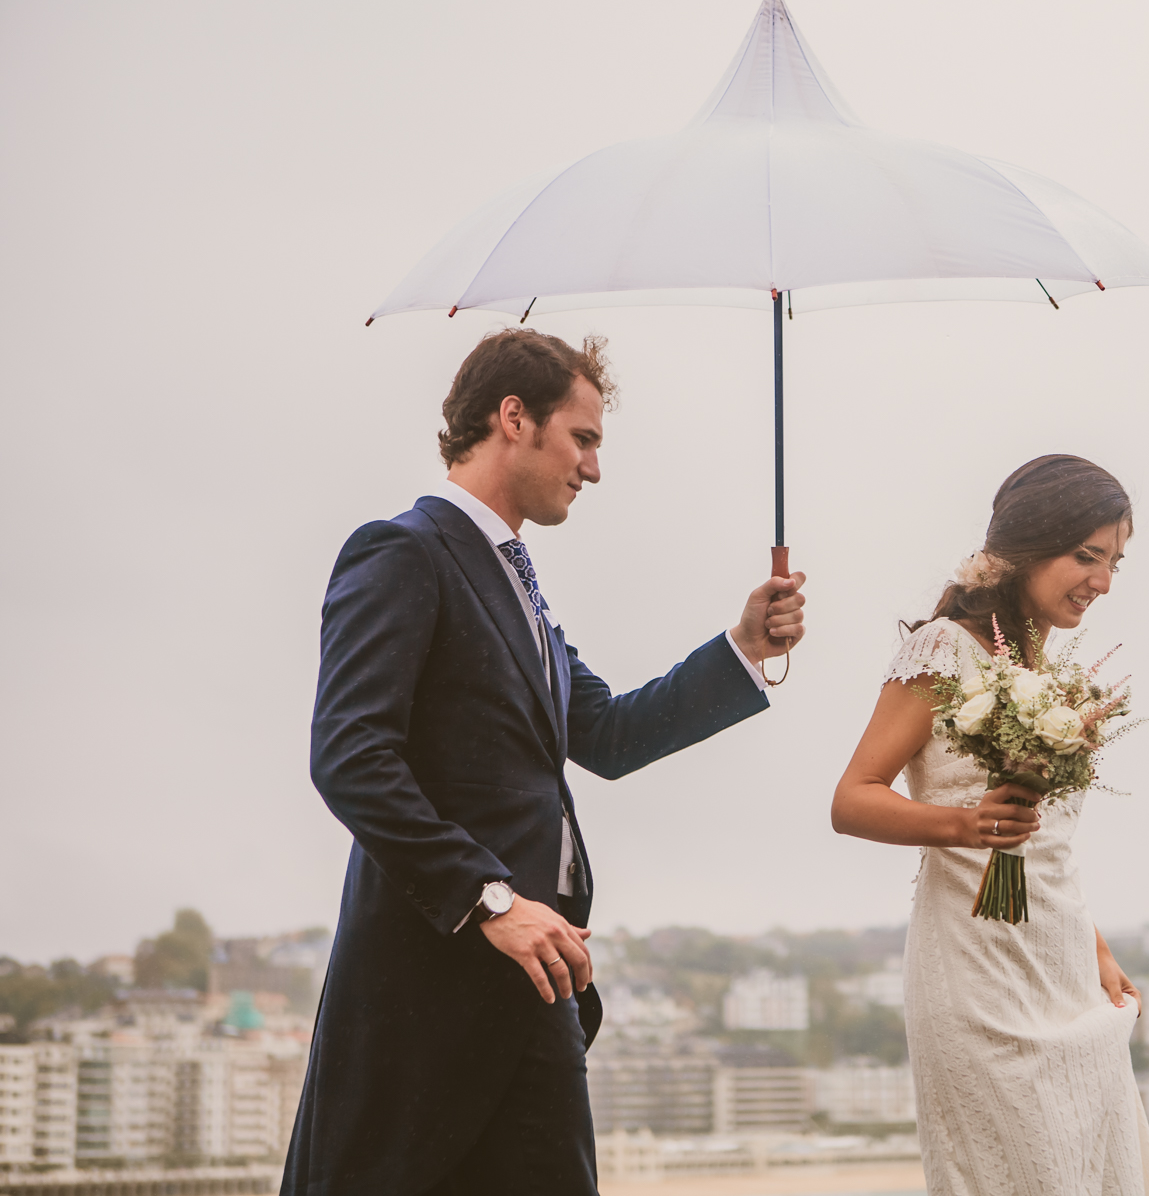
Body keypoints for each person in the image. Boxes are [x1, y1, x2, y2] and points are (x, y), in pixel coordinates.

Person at [282, 328, 805, 1196]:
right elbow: (349, 756)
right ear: (513, 418)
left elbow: (608, 734)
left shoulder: (518, 585)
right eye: (585, 438)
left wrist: (743, 648)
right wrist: (488, 901)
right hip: (429, 989)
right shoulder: (402, 551)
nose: (593, 468)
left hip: (534, 984)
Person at [830, 454, 1149, 1196]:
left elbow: (1046, 842)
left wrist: (1096, 945)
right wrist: (964, 825)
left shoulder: (1047, 673)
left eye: (1114, 562)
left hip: (1064, 963)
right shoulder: (941, 650)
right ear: (1029, 542)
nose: (1102, 581)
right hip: (977, 971)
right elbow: (851, 799)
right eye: (1087, 556)